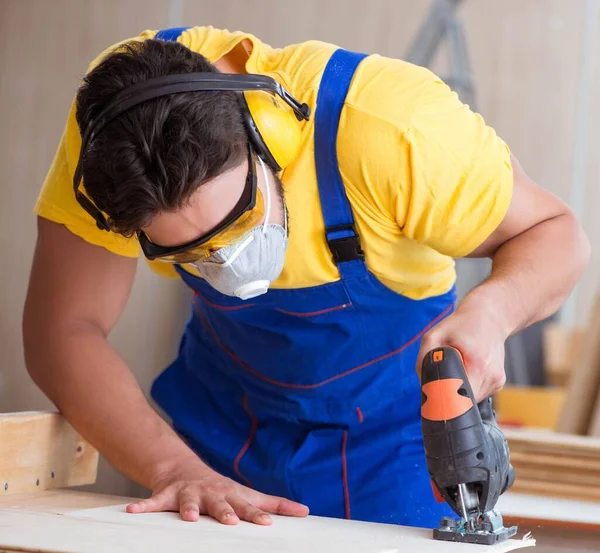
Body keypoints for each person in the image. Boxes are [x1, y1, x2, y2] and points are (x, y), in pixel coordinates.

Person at [23, 25, 589, 529]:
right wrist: (173, 468)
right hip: (224, 435)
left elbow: (557, 232)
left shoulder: (392, 130)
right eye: (192, 254)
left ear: (268, 135)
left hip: (395, 445)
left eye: (239, 221)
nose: (227, 263)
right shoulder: (112, 129)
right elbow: (62, 332)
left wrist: (492, 312)